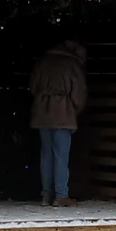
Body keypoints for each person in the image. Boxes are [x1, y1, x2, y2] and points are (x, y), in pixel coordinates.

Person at [30, 40, 87, 207]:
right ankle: (61, 195)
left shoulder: (43, 62)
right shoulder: (73, 65)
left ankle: (46, 195)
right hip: (63, 113)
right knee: (61, 155)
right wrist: (74, 109)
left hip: (42, 112)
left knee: (46, 155)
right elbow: (79, 93)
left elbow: (33, 87)